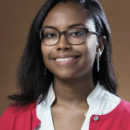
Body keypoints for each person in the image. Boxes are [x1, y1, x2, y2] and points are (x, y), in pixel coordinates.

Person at [0, 0, 130, 129]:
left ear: (99, 45)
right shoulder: (14, 118)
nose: (62, 45)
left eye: (76, 33)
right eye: (51, 35)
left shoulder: (126, 118)